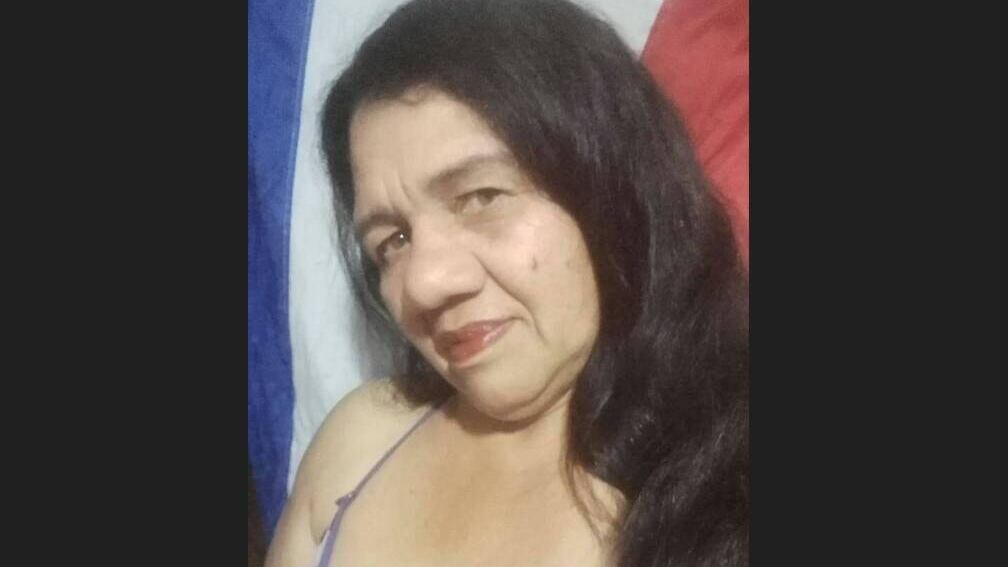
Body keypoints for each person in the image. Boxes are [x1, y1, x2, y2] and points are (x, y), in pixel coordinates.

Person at [266, 0, 749, 565]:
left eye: (482, 197)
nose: (423, 285)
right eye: (392, 240)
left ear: (615, 189)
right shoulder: (357, 442)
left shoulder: (728, 477)